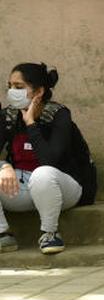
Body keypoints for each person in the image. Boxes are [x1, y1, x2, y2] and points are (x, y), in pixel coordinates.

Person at [0, 63, 95, 254]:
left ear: (39, 91)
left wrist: (31, 124)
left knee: (42, 174)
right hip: (24, 187)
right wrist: (4, 166)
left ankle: (50, 234)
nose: (12, 92)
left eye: (19, 87)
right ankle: (3, 236)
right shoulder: (9, 116)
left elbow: (49, 160)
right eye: (10, 86)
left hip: (64, 187)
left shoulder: (59, 115)